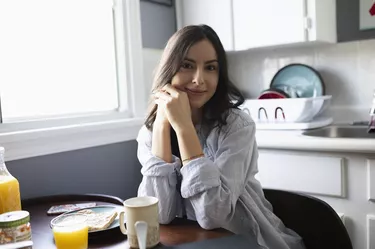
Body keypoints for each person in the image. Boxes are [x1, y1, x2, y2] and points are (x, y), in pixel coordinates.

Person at [136, 24, 306, 249]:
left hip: (245, 241)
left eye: (210, 68)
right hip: (189, 244)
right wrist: (161, 126)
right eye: (187, 65)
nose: (199, 79)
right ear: (169, 69)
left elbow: (212, 216)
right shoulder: (150, 132)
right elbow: (159, 215)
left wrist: (184, 128)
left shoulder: (236, 127)